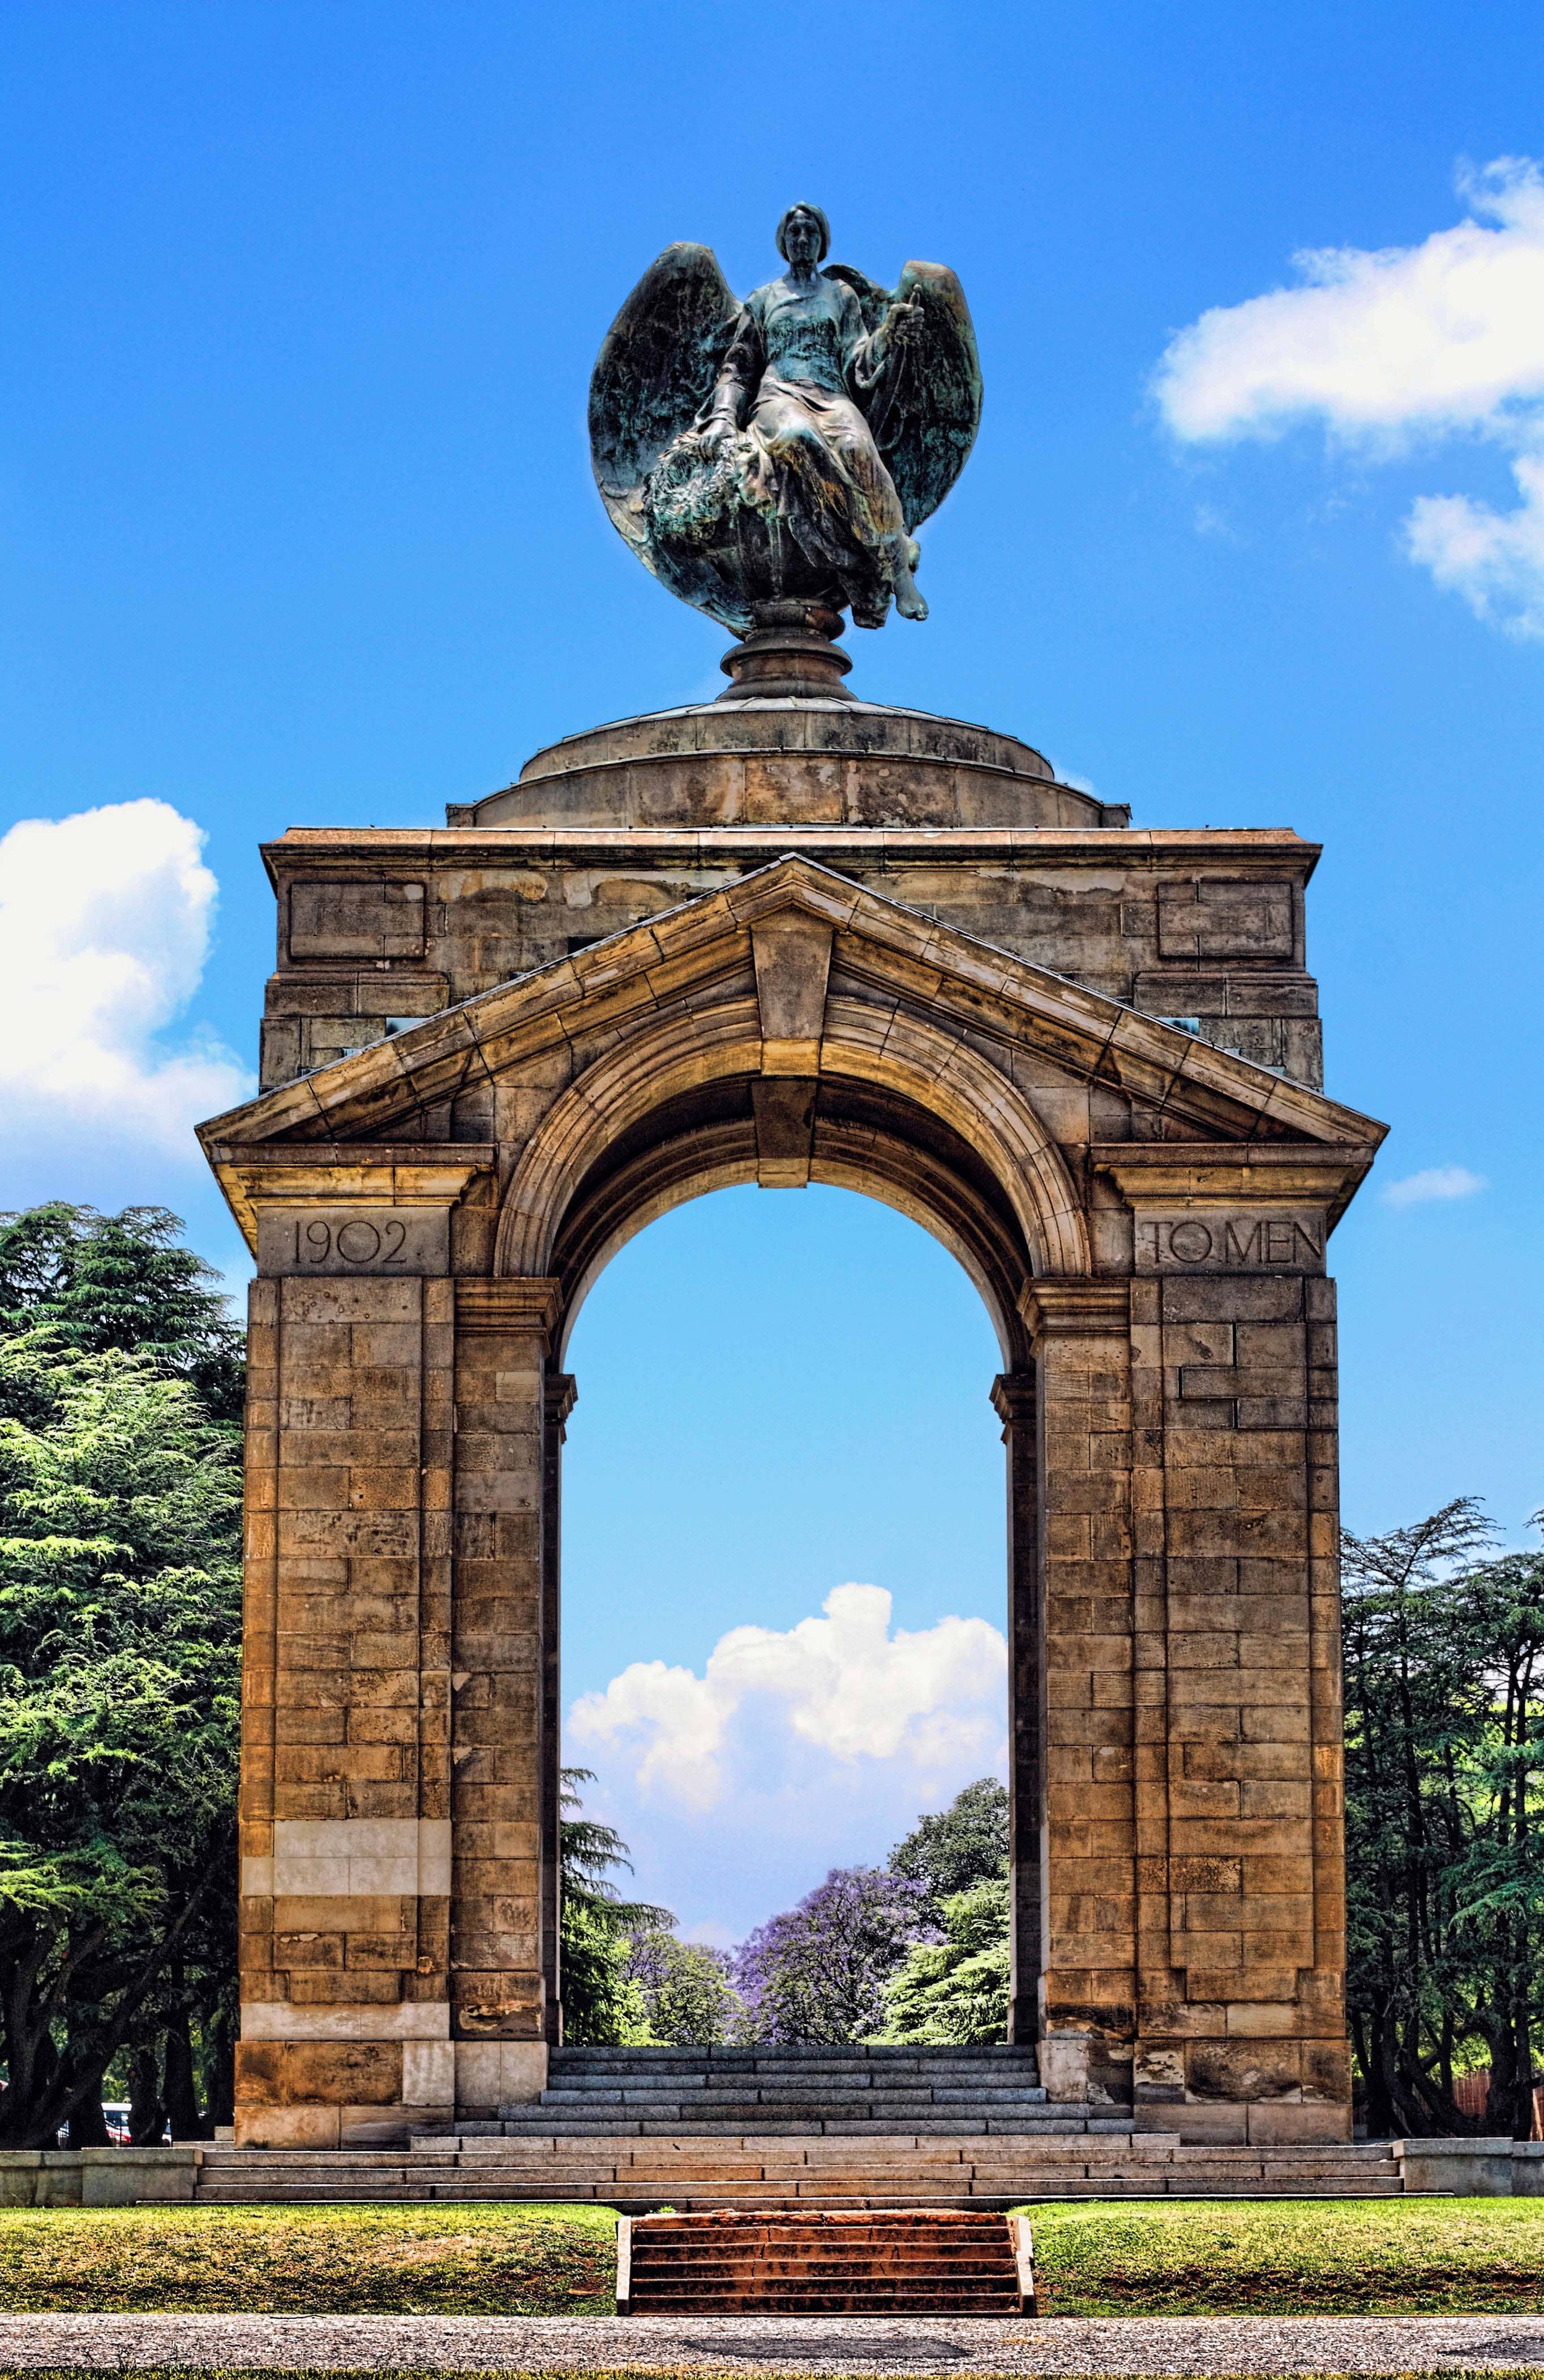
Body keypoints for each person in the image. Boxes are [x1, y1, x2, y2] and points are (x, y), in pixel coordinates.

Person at [695, 204, 928, 627]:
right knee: (795, 437)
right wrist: (724, 416)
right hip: (778, 396)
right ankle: (867, 562)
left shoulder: (841, 297)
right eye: (794, 232)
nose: (802, 239)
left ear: (823, 242)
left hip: (832, 396)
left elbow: (857, 360)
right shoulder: (764, 299)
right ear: (783, 242)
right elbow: (738, 365)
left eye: (811, 232)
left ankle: (896, 568)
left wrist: (889, 335)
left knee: (858, 449)